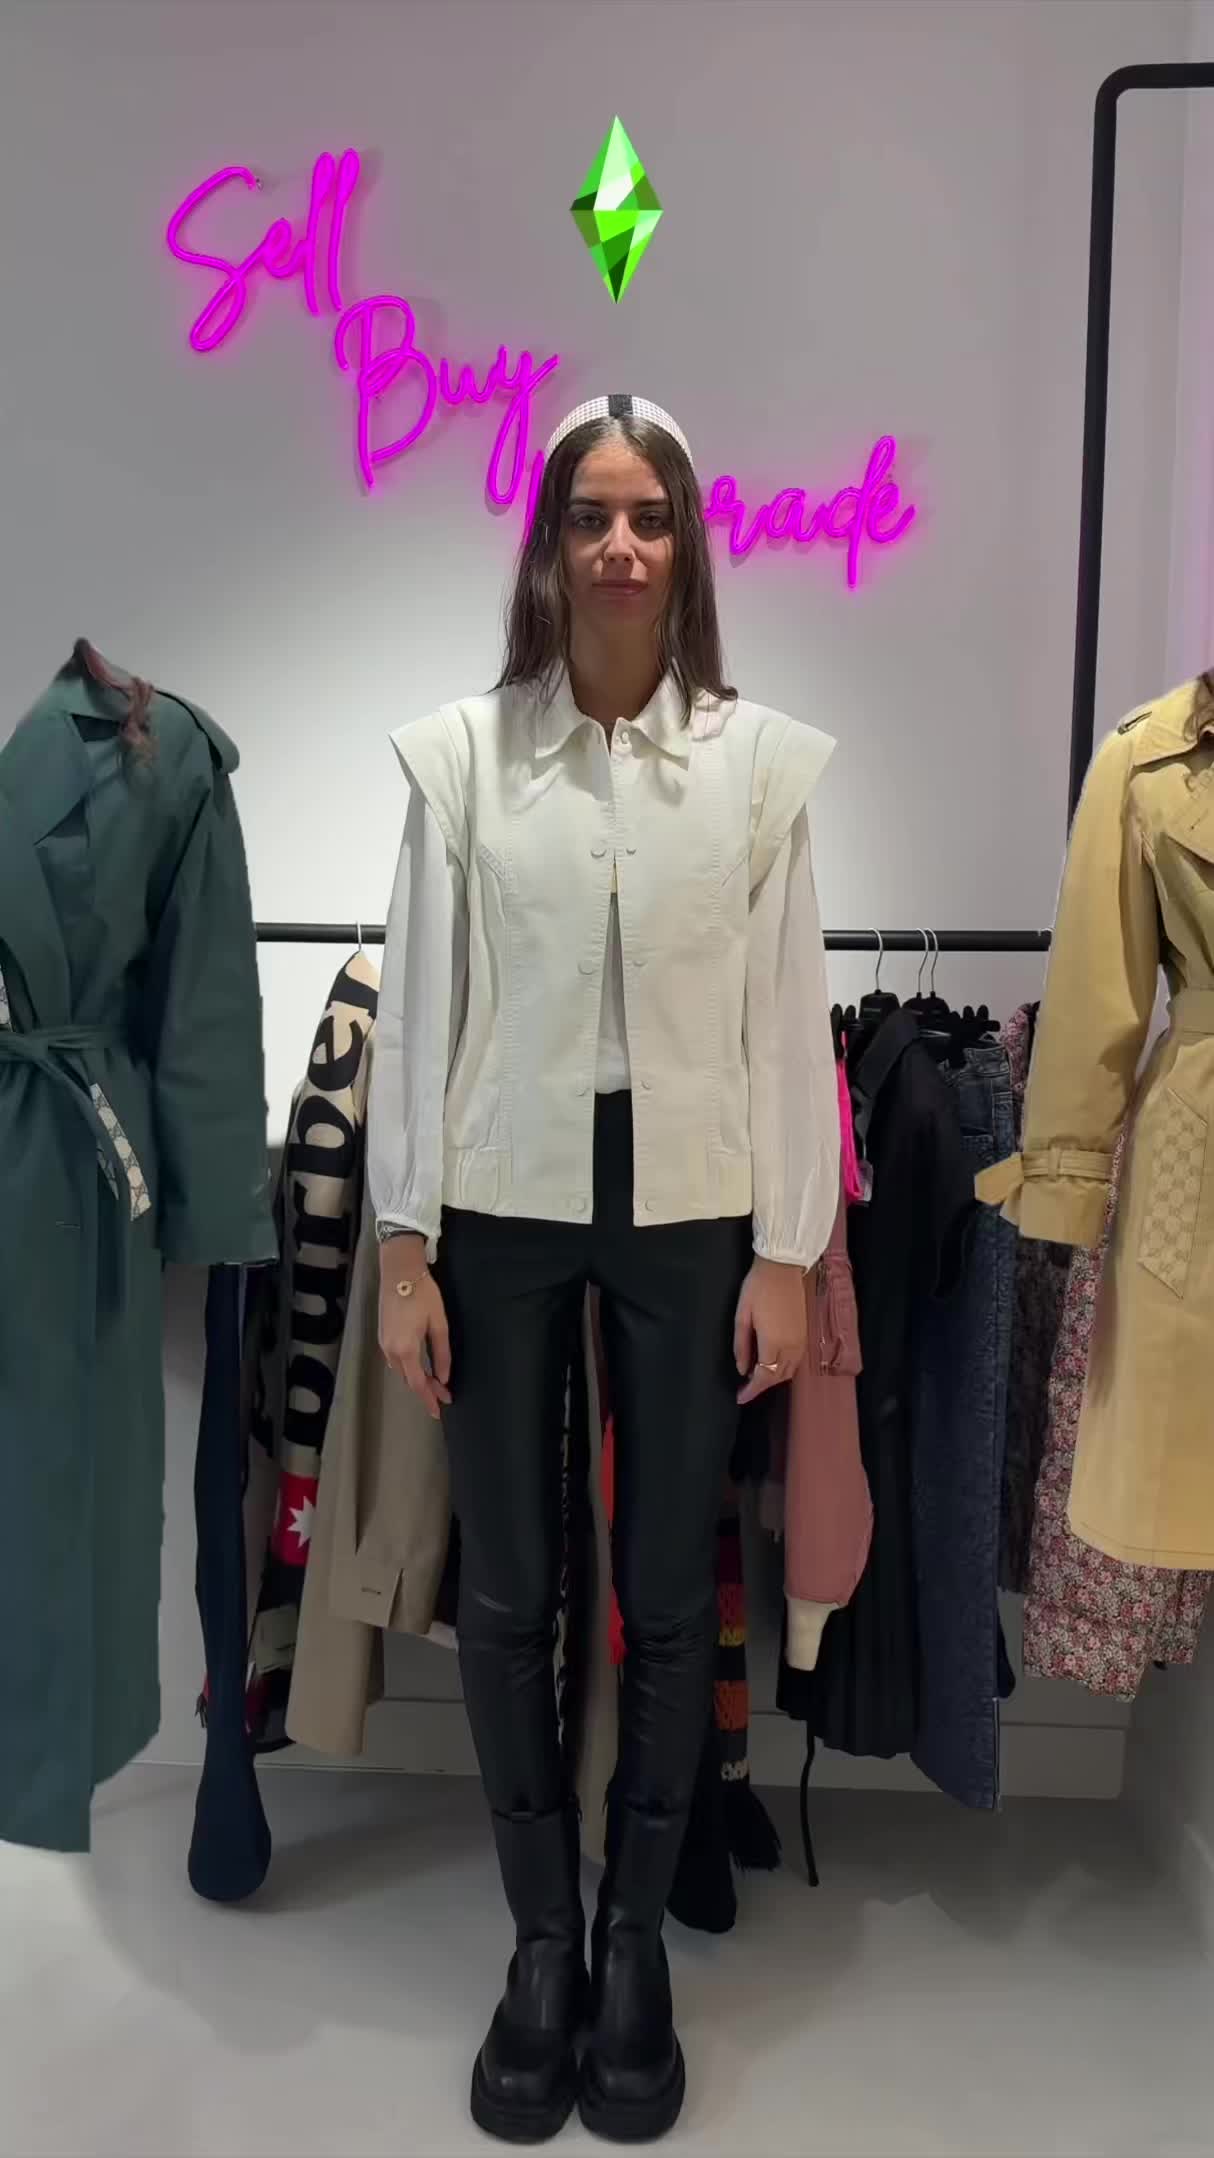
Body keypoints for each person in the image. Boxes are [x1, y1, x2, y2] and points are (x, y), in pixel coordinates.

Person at [369, 393, 839, 2144]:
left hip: (690, 1204)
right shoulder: (464, 758)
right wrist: (402, 1241)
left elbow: (786, 1016)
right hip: (501, 1196)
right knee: (509, 1589)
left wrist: (787, 1250)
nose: (621, 545)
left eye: (648, 516)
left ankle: (633, 1940)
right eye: (591, 515)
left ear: (687, 543)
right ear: (550, 543)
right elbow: (419, 1005)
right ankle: (540, 1942)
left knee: (660, 1588)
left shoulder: (757, 767)